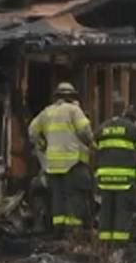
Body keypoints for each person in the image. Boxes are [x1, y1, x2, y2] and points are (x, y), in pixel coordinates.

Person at [28, 82, 94, 235]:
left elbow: (32, 131)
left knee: (57, 197)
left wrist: (42, 143)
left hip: (53, 164)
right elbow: (85, 131)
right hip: (73, 162)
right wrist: (91, 143)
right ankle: (73, 231)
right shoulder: (74, 110)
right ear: (72, 96)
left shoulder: (46, 113)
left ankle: (58, 230)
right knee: (74, 196)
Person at [95, 98, 136, 249]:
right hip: (123, 179)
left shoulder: (104, 126)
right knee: (122, 210)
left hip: (105, 178)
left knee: (106, 210)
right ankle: (119, 244)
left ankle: (104, 242)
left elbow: (93, 142)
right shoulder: (130, 127)